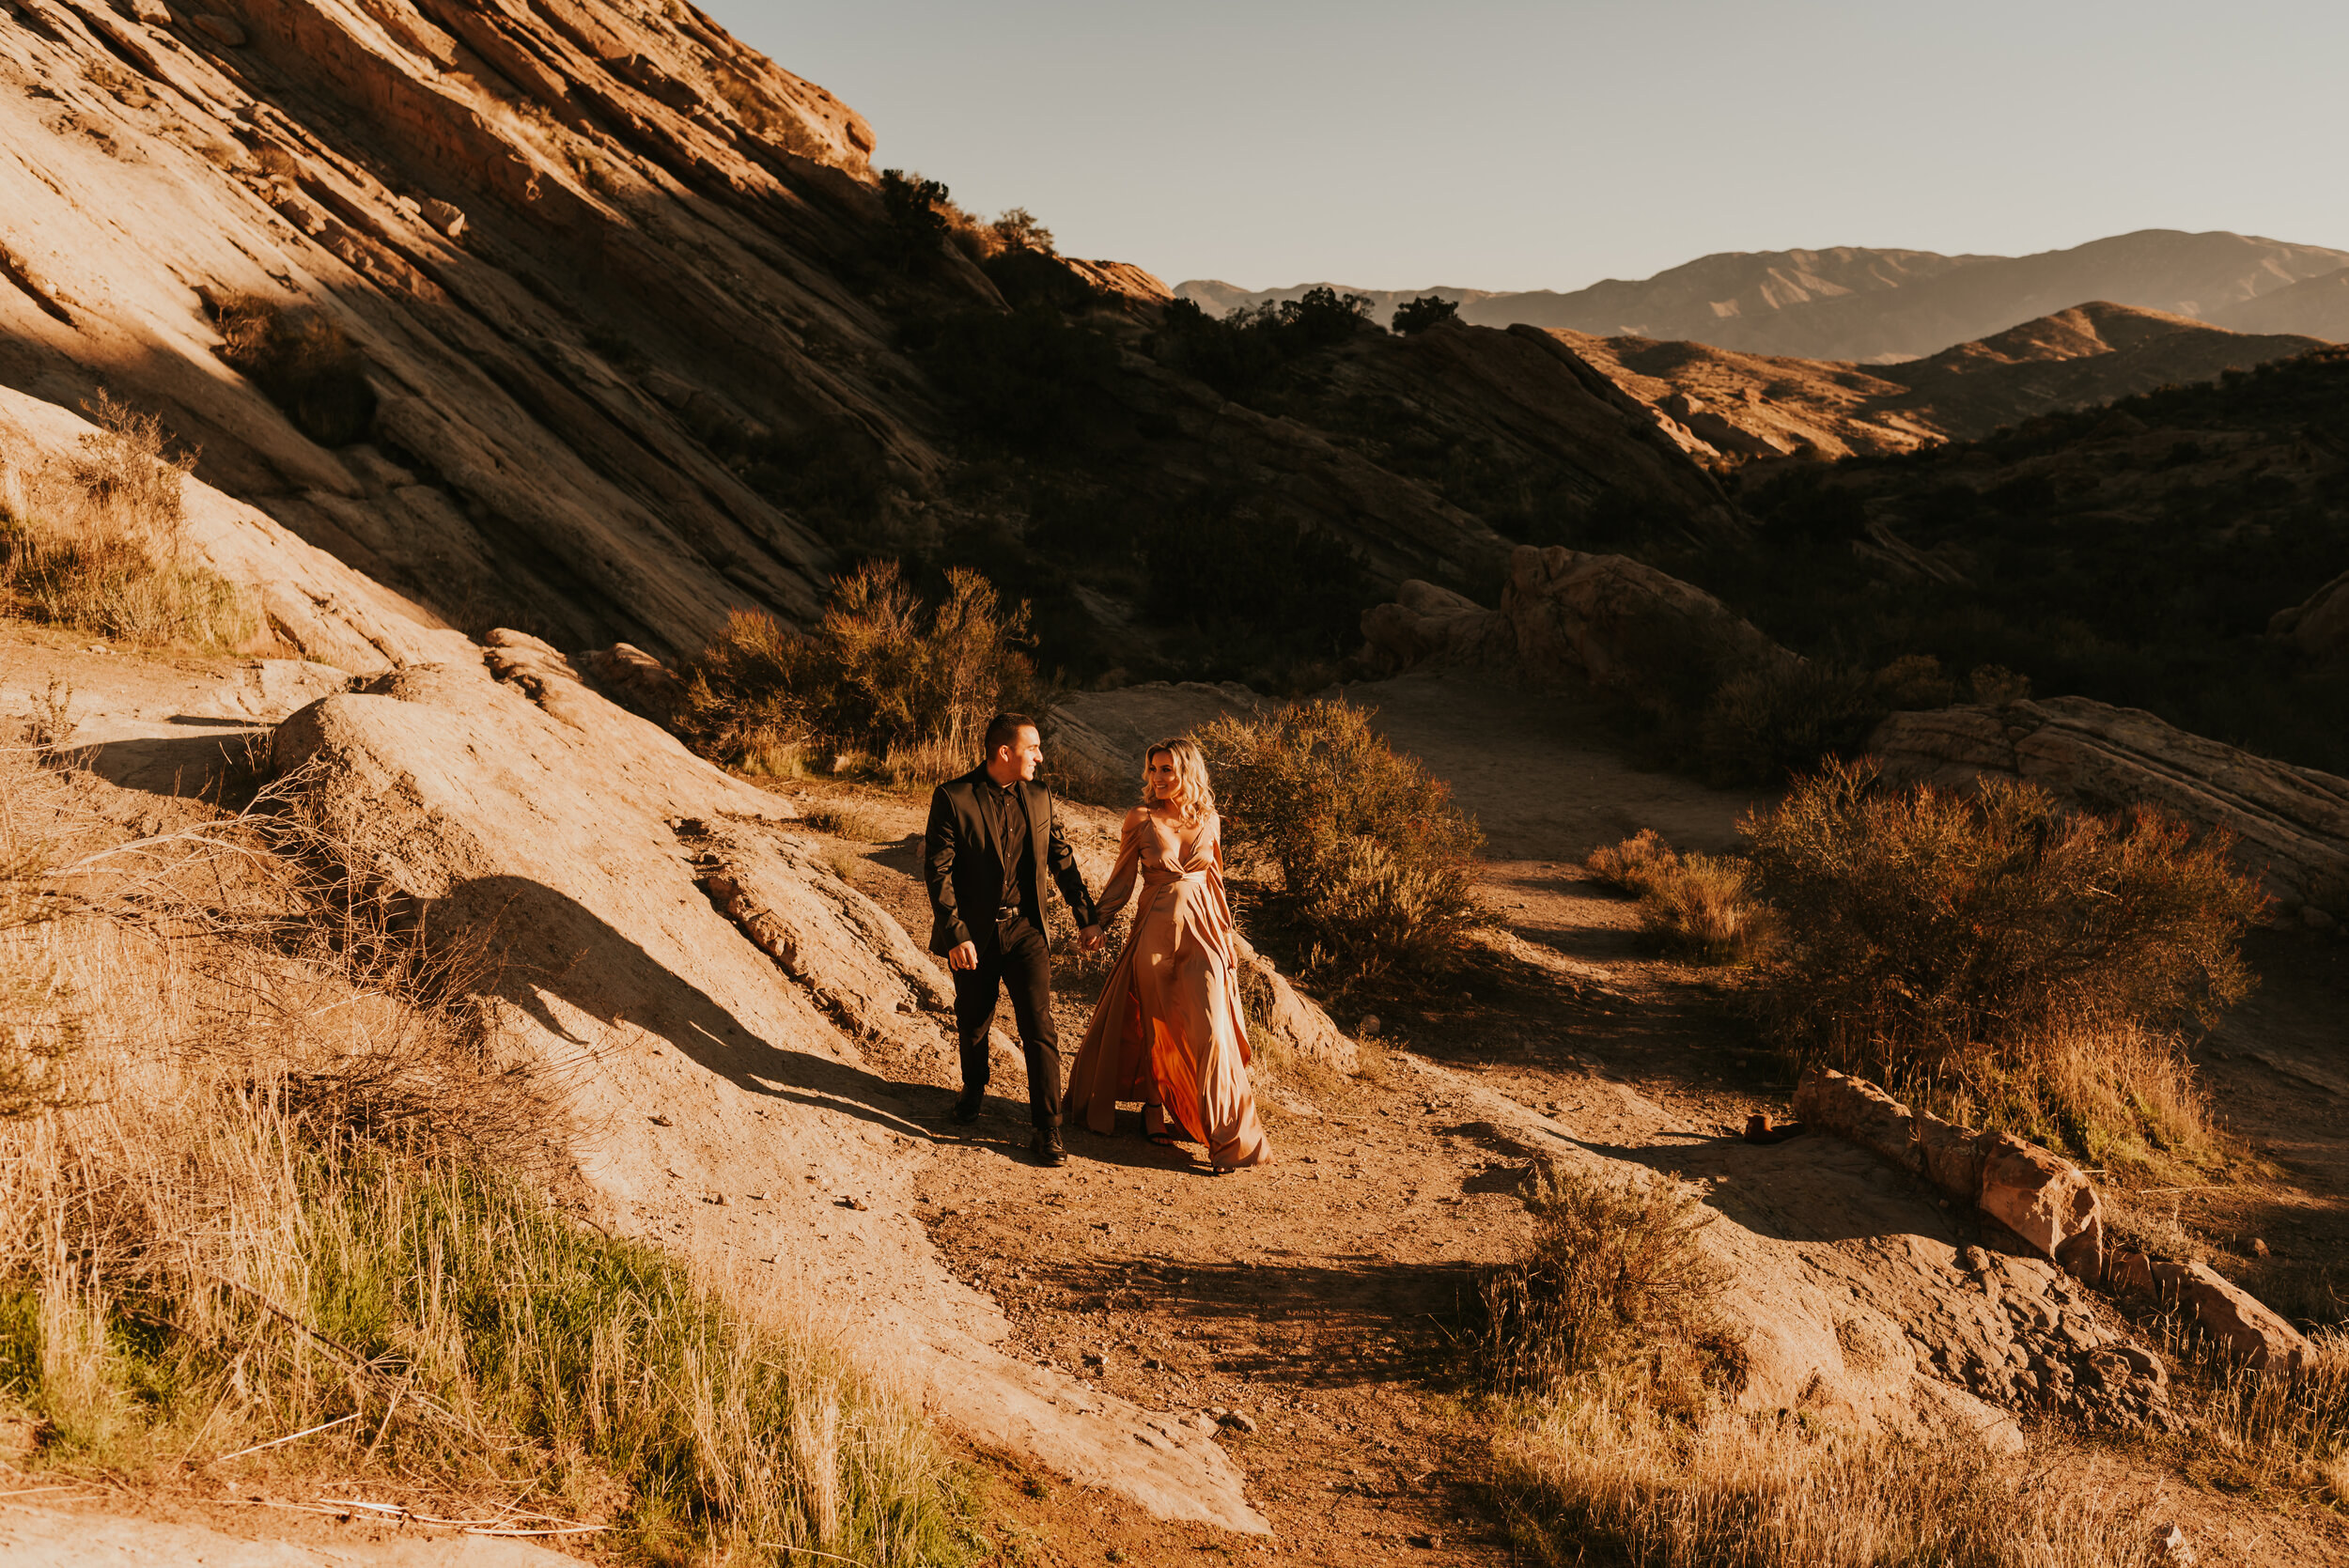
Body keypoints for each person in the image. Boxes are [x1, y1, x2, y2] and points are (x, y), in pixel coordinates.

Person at [1066, 739, 1272, 1172]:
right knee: (1154, 1024)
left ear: (1188, 773)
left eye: (1167, 770)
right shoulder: (1140, 819)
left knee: (1213, 1032)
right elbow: (1121, 880)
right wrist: (1097, 922)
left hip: (1206, 936)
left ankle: (1226, 1137)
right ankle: (1153, 1108)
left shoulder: (1210, 820)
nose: (1158, 778)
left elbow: (1215, 882)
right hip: (1155, 933)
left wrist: (1228, 940)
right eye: (1154, 770)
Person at [924, 712, 1102, 1167]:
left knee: (1039, 1026)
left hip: (1026, 930)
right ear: (1005, 752)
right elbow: (938, 872)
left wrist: (1087, 917)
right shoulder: (953, 797)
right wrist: (956, 932)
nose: (1041, 757)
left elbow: (1062, 859)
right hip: (974, 935)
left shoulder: (1040, 797)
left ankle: (1048, 1129)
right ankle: (973, 1089)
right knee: (974, 1019)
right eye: (1034, 748)